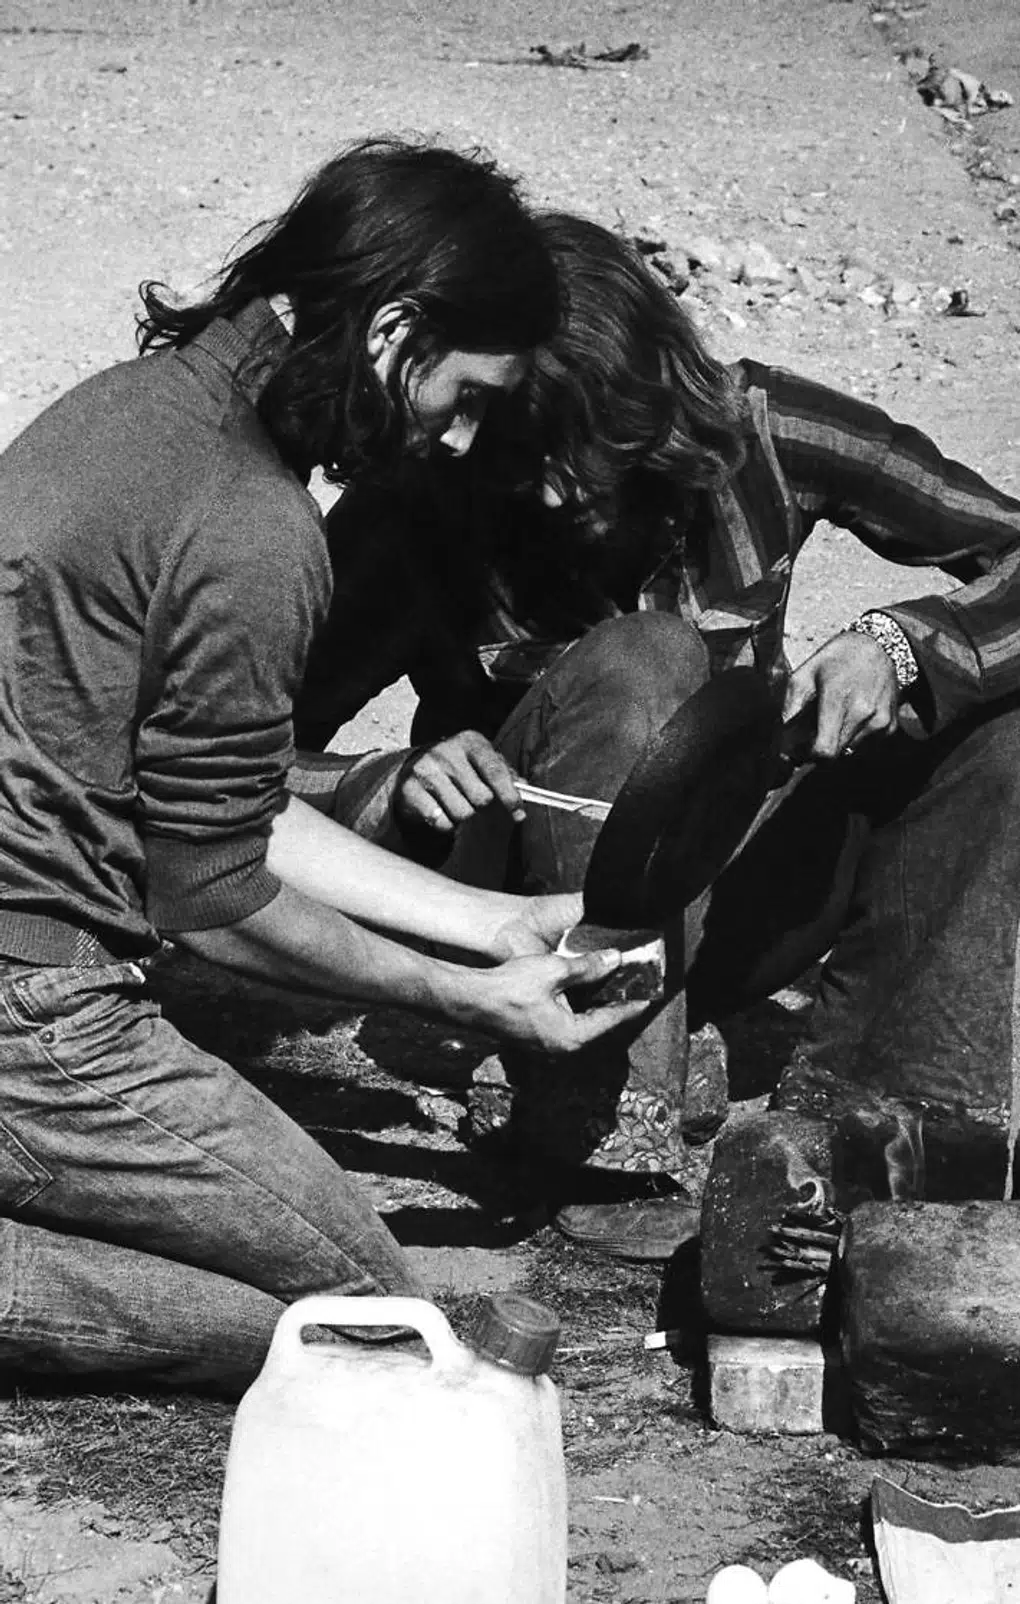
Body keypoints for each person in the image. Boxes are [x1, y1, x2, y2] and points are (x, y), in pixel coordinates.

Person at [294, 211, 1020, 1259]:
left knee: (1007, 710)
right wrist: (397, 774)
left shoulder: (763, 432)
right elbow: (236, 763)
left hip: (723, 894)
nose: (556, 488)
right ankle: (604, 1124)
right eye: (524, 452)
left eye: (587, 451)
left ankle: (885, 1125)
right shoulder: (414, 507)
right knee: (647, 655)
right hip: (519, 919)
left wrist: (901, 642)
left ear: (653, 405)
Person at [0, 141, 645, 1390]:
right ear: (395, 329)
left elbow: (218, 811)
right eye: (463, 395)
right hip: (36, 1020)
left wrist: (497, 919)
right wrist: (462, 995)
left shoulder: (130, 410)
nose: (459, 442)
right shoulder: (251, 524)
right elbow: (212, 896)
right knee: (375, 1323)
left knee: (308, 1310)